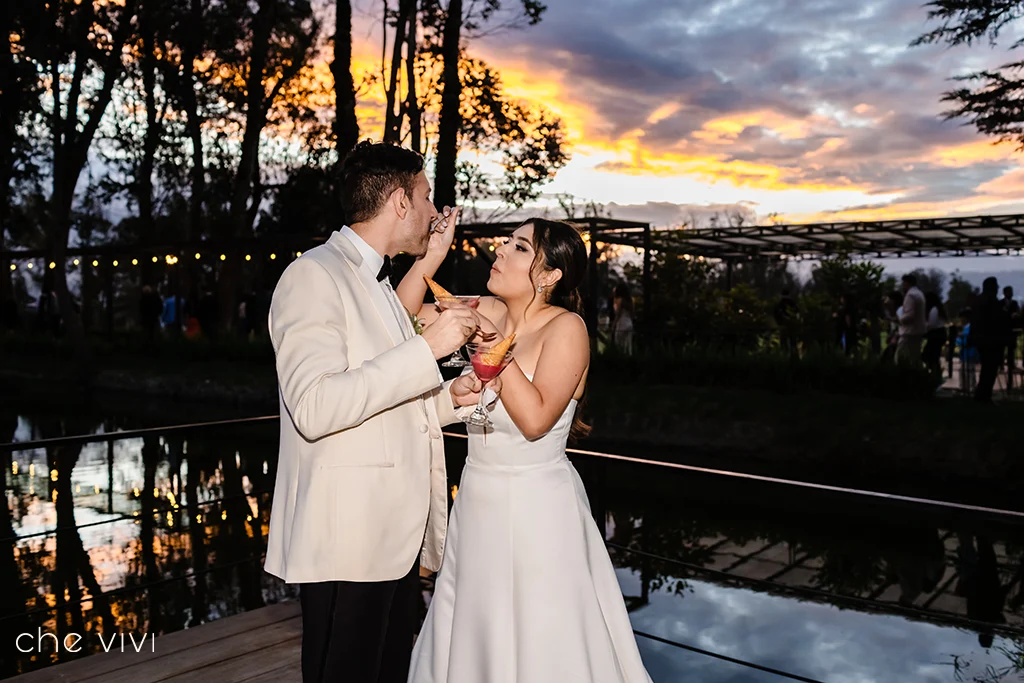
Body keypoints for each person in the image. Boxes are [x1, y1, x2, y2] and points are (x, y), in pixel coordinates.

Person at [264, 140, 492, 683]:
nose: (434, 211)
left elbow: (381, 399)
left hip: (392, 535)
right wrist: (427, 349)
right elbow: (315, 406)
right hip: (350, 536)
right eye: (426, 196)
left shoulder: (379, 284)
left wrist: (446, 401)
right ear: (398, 202)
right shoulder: (312, 277)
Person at [402, 218, 654, 683]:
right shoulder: (489, 311)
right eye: (507, 242)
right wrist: (430, 257)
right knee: (473, 622)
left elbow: (536, 421)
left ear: (548, 274)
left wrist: (496, 350)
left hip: (539, 508)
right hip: (478, 499)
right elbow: (400, 322)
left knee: (544, 631)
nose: (500, 251)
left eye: (519, 247)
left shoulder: (568, 328)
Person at [969, 277, 1007, 403]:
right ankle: (984, 395)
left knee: (987, 368)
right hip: (990, 339)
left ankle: (982, 395)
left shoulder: (979, 300)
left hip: (981, 339)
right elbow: (996, 320)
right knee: (990, 368)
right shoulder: (991, 301)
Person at [897, 274, 927, 366]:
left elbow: (909, 315)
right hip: (918, 332)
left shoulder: (910, 295)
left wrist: (900, 318)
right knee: (914, 359)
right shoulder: (919, 294)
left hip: (909, 333)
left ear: (907, 283)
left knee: (901, 358)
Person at [922, 291, 947, 380]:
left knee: (929, 355)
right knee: (933, 356)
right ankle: (935, 374)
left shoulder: (933, 310)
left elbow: (931, 324)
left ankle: (935, 375)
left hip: (936, 335)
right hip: (939, 334)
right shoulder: (937, 309)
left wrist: (923, 326)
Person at [611, 282, 635, 354]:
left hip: (621, 324)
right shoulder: (630, 301)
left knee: (619, 344)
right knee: (628, 346)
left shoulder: (619, 300)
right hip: (629, 323)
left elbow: (618, 314)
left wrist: (613, 325)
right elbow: (632, 314)